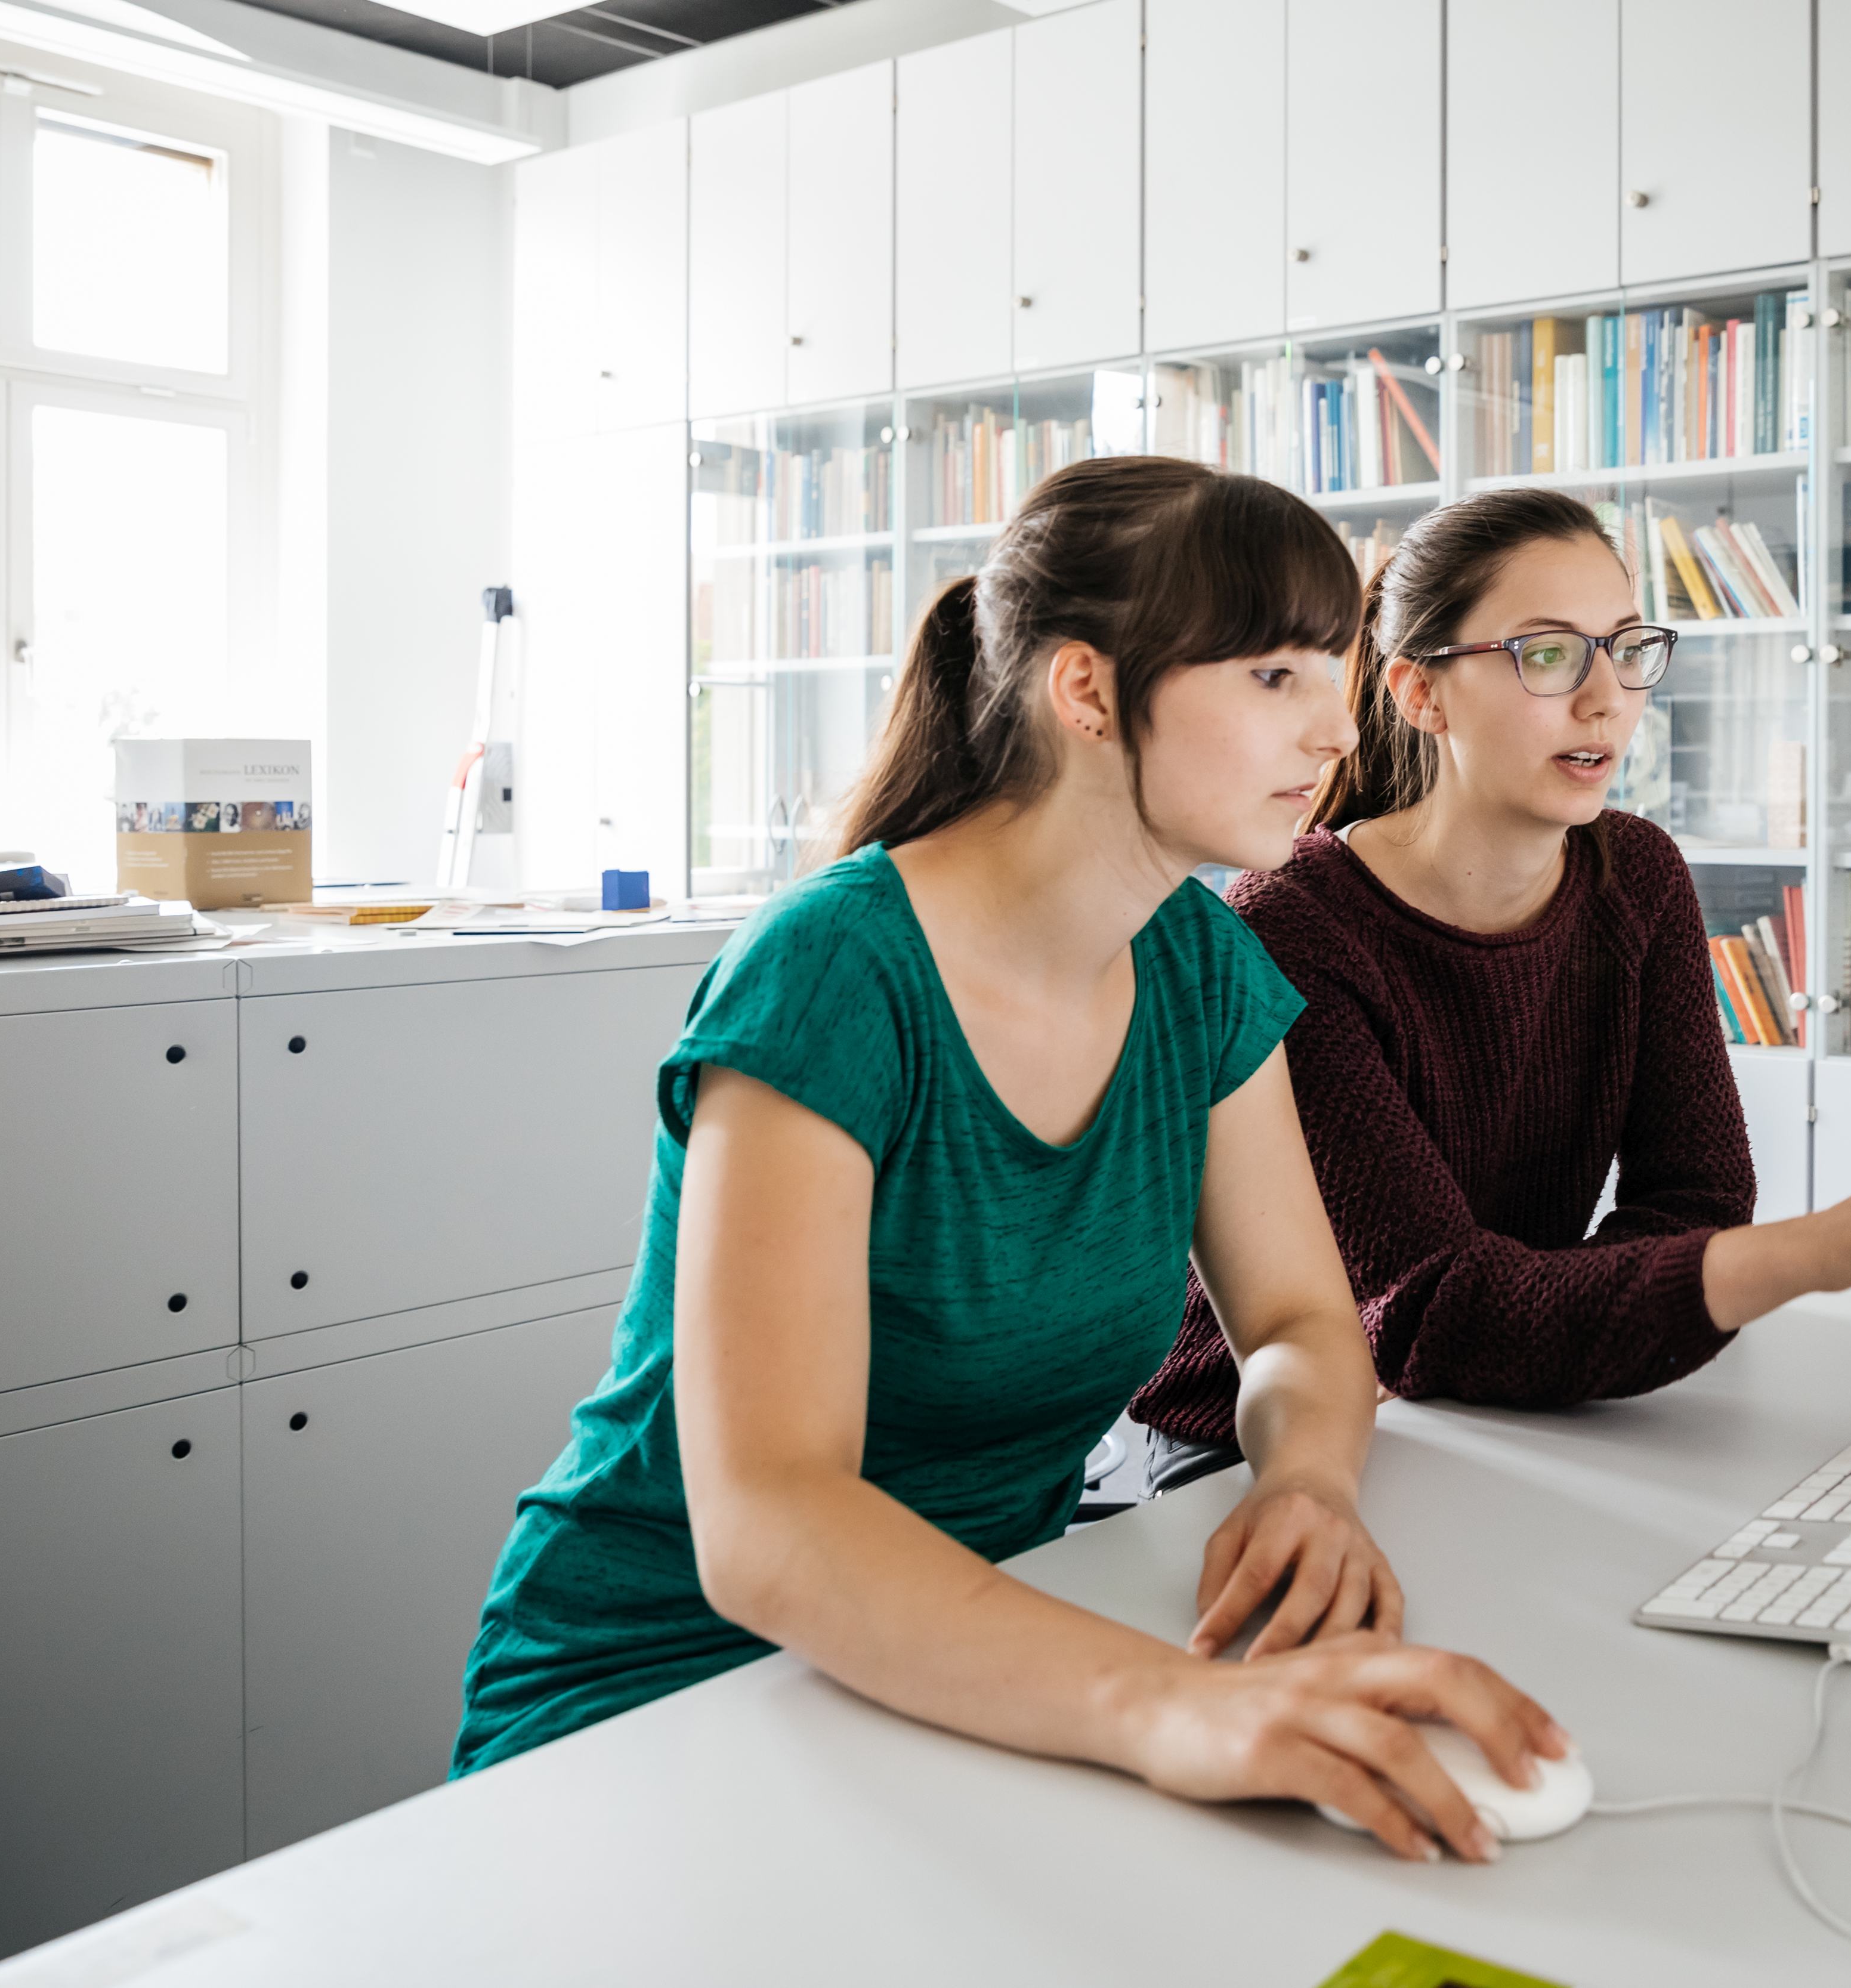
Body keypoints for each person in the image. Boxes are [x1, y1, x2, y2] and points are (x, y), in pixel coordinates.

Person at [454, 459, 1564, 1866]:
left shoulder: (1202, 961)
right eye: (1276, 676)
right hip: (661, 1689)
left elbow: (1295, 1323)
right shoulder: (832, 975)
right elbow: (771, 1525)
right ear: (1089, 691)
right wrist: (1169, 1708)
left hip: (981, 1654)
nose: (1339, 729)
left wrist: (1305, 1482)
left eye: (1334, 672)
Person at [1131, 489, 1851, 1488]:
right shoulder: (1291, 925)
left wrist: (1545, 1323)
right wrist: (1823, 1248)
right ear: (1419, 693)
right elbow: (1438, 1307)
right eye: (1547, 654)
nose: (1606, 697)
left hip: (1500, 1412)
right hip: (1246, 1458)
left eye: (1624, 647)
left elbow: (1695, 1200)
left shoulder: (1638, 876)